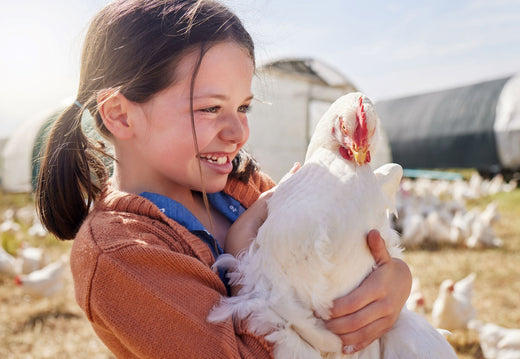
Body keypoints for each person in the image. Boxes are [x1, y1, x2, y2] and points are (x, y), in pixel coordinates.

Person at [36, 0, 412, 358]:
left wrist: (395, 282)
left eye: (243, 107)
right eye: (211, 108)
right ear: (120, 115)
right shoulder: (120, 256)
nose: (239, 132)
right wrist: (243, 246)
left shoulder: (245, 189)